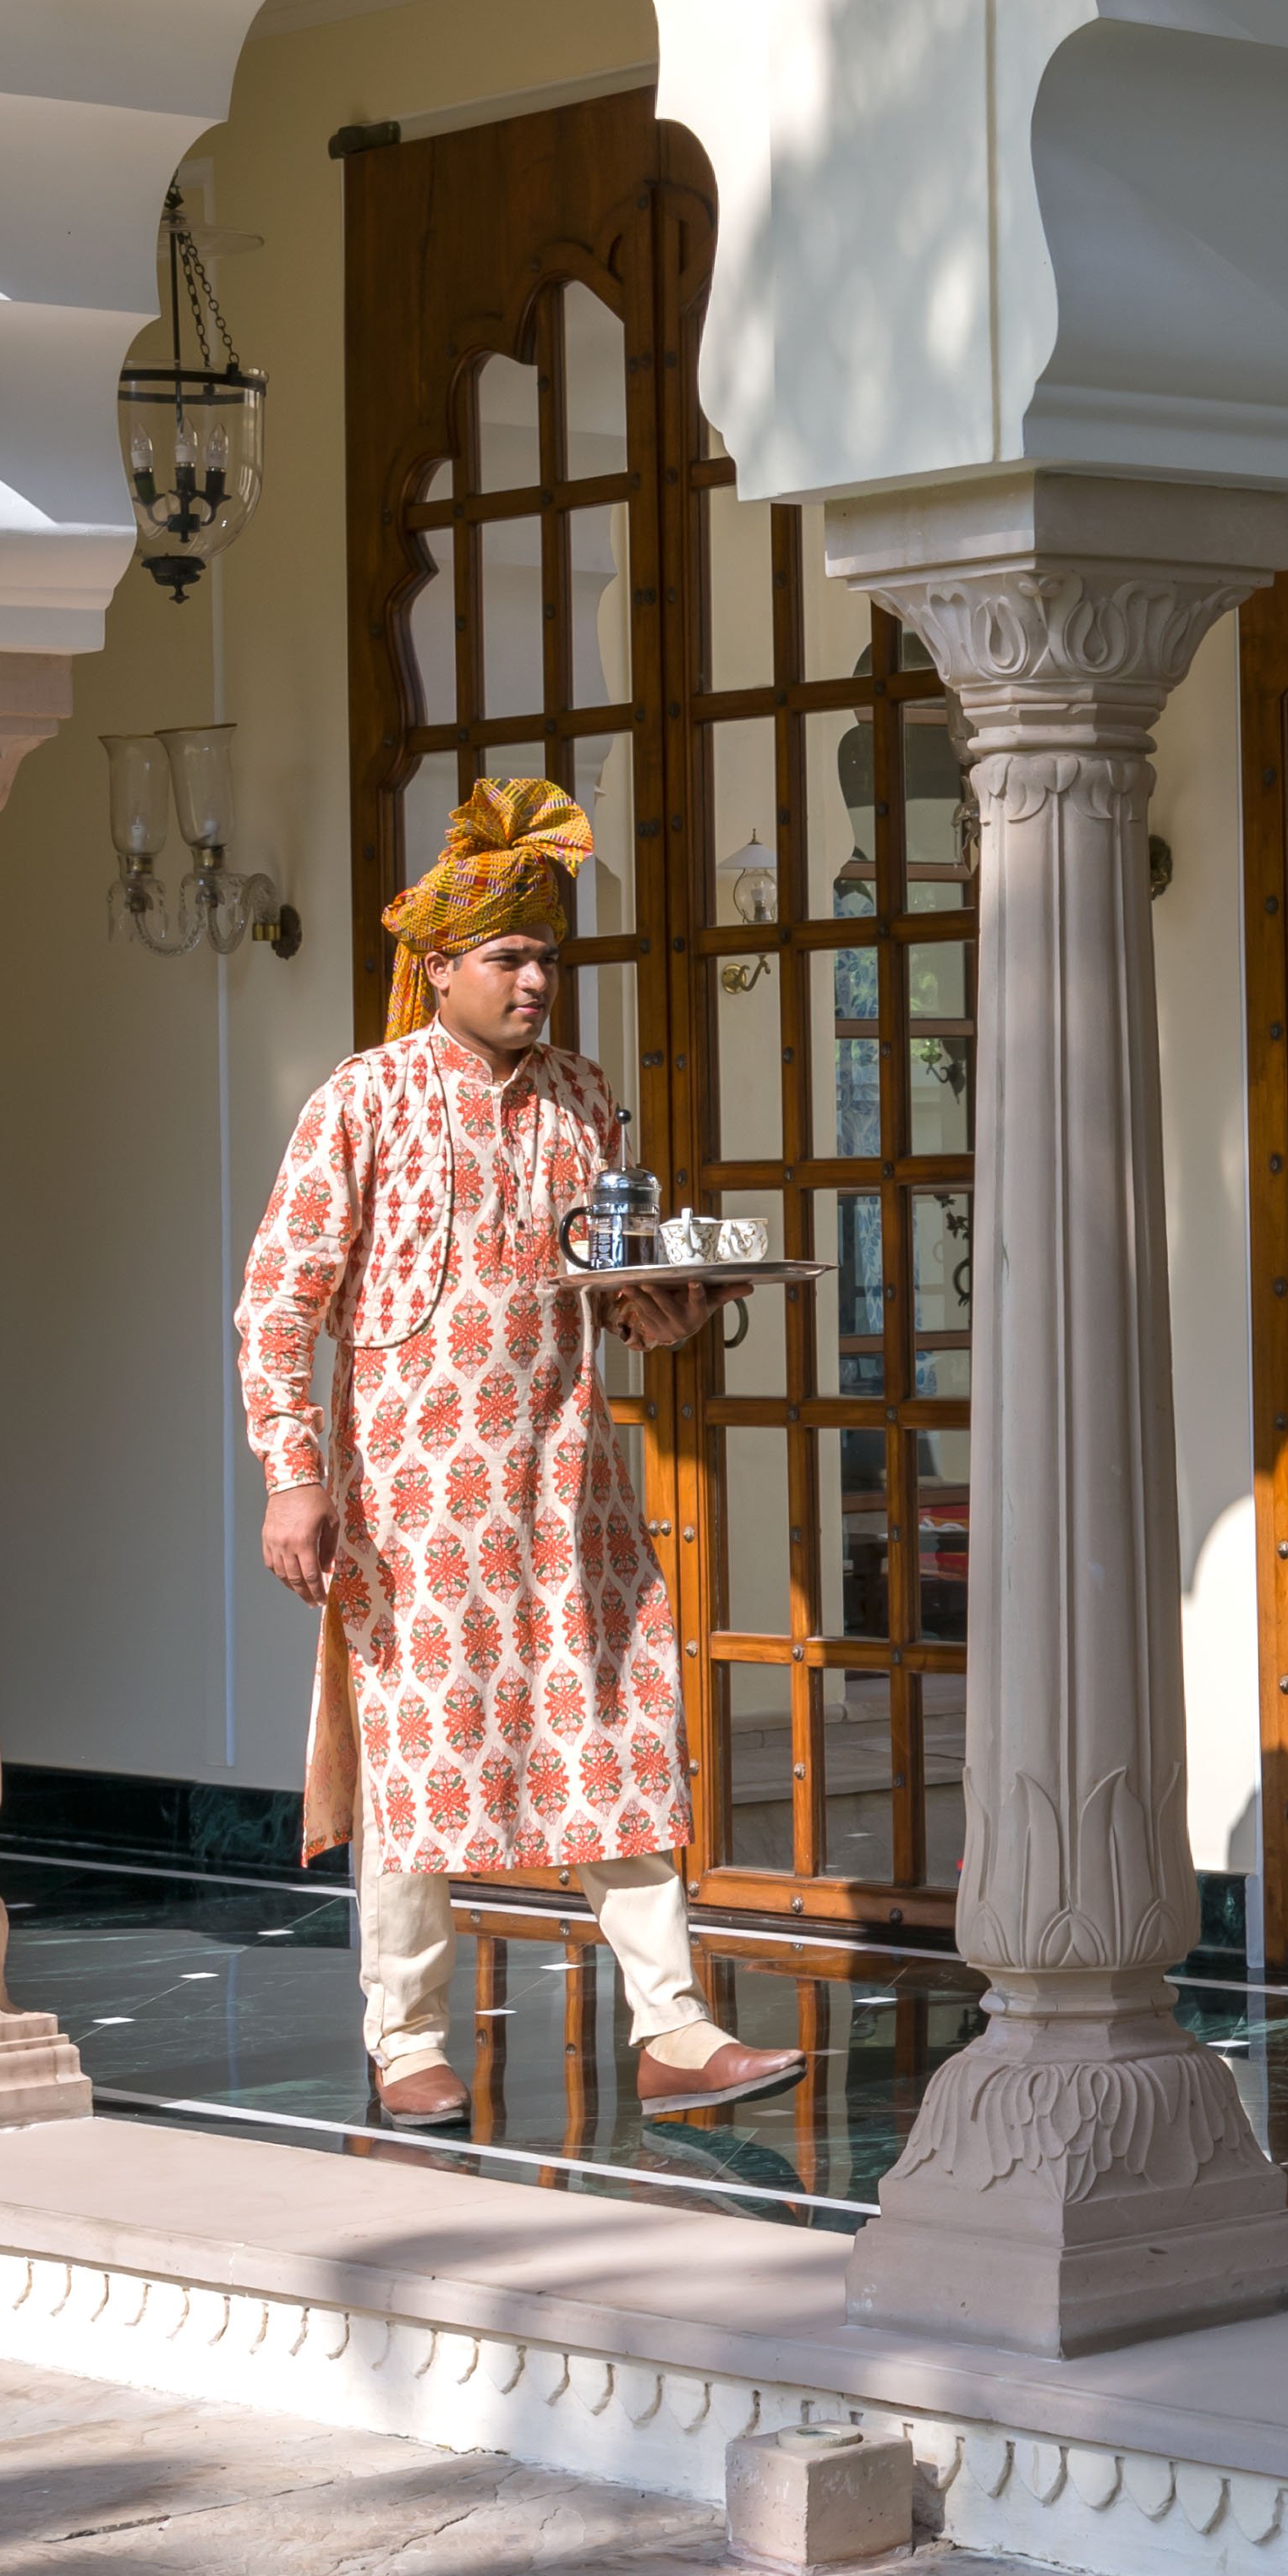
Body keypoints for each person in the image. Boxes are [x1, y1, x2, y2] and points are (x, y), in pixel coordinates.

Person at [236, 776, 806, 2127]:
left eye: (548, 956)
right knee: (421, 1763)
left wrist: (678, 1302)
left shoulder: (583, 1099)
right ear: (439, 969)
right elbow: (279, 1302)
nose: (538, 980)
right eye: (510, 958)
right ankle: (406, 2038)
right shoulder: (362, 1101)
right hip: (413, 1509)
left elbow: (615, 1294)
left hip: (567, 1490)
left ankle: (673, 2028)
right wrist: (295, 1472)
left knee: (617, 1745)